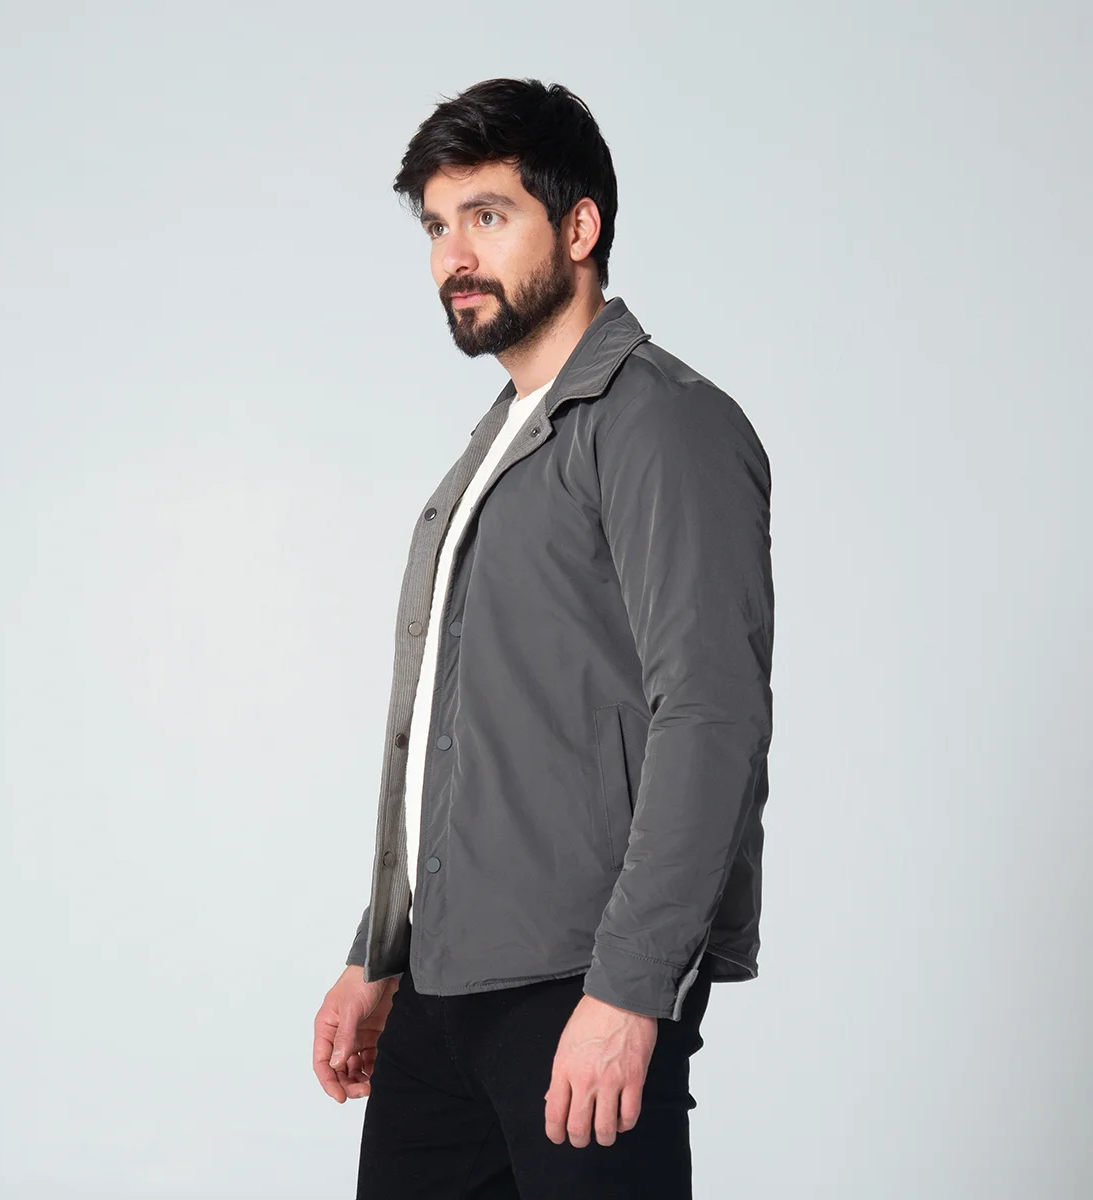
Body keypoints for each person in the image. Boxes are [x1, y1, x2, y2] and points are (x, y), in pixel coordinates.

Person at [311, 76, 775, 1199]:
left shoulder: (660, 421)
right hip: (442, 991)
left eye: (488, 215)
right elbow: (455, 734)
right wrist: (379, 949)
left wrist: (631, 990)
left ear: (579, 228)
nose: (453, 256)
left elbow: (710, 715)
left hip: (579, 982)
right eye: (437, 225)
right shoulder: (496, 444)